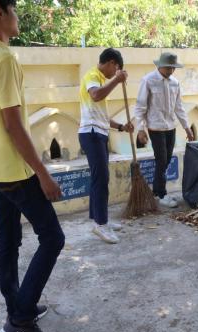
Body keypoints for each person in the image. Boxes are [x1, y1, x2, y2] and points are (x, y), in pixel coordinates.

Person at [0, 0, 64, 332]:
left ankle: (17, 307)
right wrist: (43, 174)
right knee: (53, 238)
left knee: (9, 240)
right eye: (15, 10)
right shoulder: (4, 59)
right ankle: (19, 321)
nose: (19, 17)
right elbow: (12, 124)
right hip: (14, 169)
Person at [78, 48, 133, 244]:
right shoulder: (93, 75)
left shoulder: (100, 80)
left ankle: (98, 219)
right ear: (111, 63)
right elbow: (95, 96)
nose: (116, 72)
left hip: (98, 132)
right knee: (102, 179)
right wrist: (117, 81)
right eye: (117, 68)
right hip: (91, 134)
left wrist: (121, 127)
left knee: (98, 178)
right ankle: (102, 225)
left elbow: (100, 113)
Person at [135, 52, 194, 208]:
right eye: (168, 68)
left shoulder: (175, 83)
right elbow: (140, 106)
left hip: (170, 127)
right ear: (160, 66)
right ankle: (160, 193)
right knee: (161, 160)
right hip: (155, 127)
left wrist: (187, 127)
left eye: (173, 68)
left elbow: (179, 107)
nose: (171, 71)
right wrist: (140, 129)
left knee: (166, 160)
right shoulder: (148, 80)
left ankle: (157, 191)